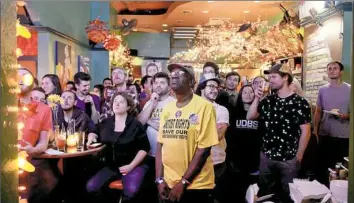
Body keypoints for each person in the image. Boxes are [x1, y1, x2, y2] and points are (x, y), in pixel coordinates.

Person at [247, 63, 311, 203]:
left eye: (274, 77)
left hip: (289, 158)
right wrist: (257, 98)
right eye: (269, 77)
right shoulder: (268, 100)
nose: (270, 80)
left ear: (285, 77)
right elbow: (250, 117)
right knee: (265, 193)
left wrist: (299, 156)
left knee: (289, 195)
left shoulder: (300, 103)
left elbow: (306, 131)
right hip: (267, 156)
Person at [155, 64, 218, 203]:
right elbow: (160, 145)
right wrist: (159, 180)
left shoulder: (205, 107)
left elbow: (204, 149)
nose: (174, 75)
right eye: (172, 73)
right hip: (168, 184)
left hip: (196, 185)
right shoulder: (167, 109)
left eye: (181, 73)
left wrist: (183, 182)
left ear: (191, 82)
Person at [86, 92, 150, 203]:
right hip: (112, 166)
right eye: (115, 101)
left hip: (134, 165)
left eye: (121, 102)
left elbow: (144, 148)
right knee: (91, 187)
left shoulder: (135, 124)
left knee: (131, 191)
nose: (117, 104)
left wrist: (130, 166)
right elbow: (94, 132)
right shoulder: (106, 122)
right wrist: (91, 137)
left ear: (128, 107)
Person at [18, 67, 58, 203]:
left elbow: (43, 143)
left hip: (27, 160)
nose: (21, 79)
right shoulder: (5, 105)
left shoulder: (44, 109)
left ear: (34, 84)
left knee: (48, 183)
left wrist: (33, 150)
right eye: (17, 76)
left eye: (25, 76)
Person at [222, 85, 262, 203]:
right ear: (240, 95)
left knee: (252, 192)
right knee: (236, 191)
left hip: (254, 160)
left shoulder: (260, 114)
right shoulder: (233, 112)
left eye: (251, 92)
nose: (248, 94)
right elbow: (228, 136)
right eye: (244, 92)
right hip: (236, 160)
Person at [313, 61, 351, 185]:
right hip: (325, 133)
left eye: (335, 68)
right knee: (323, 165)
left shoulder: (349, 89)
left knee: (341, 168)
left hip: (344, 135)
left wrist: (346, 116)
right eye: (329, 68)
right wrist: (315, 131)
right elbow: (318, 111)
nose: (332, 70)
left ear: (341, 72)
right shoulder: (322, 90)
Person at [198, 74, 229, 203]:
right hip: (193, 162)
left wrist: (197, 131)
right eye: (211, 86)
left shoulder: (221, 110)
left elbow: (218, 136)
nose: (215, 90)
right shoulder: (191, 107)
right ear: (201, 88)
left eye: (217, 87)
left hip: (216, 162)